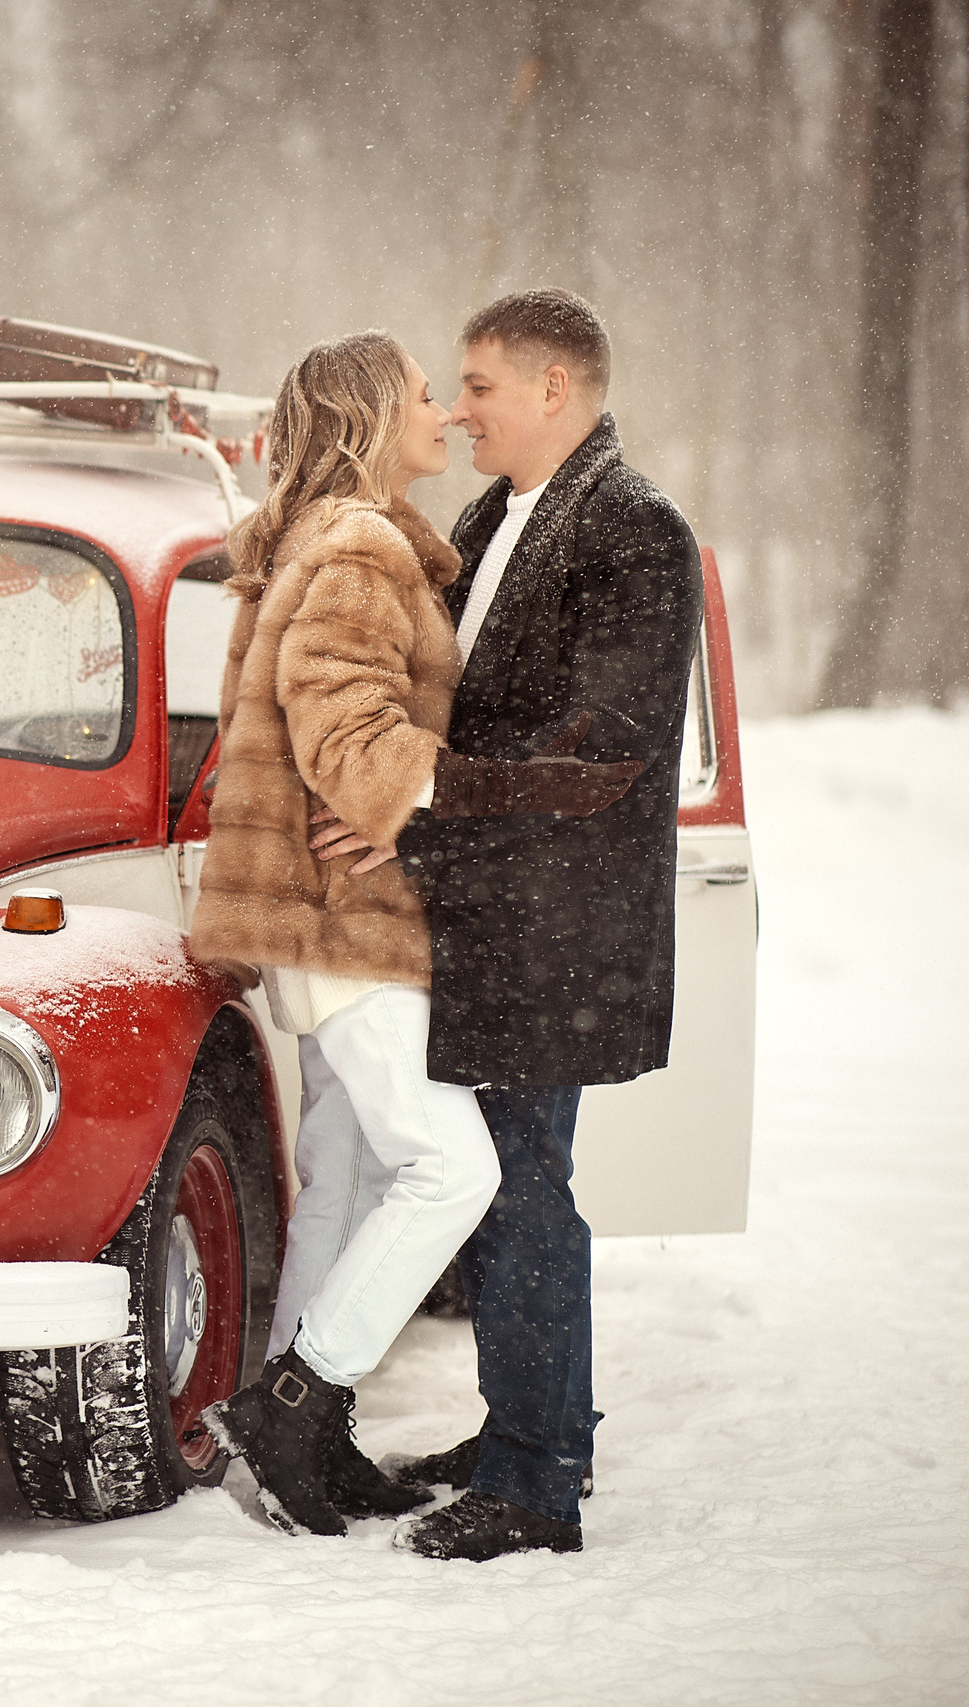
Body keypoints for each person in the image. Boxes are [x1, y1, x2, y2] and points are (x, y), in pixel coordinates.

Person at [187, 331, 642, 1538]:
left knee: (339, 1175)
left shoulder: (315, 538)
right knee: (456, 1169)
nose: (445, 413)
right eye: (426, 398)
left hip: (305, 915)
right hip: (343, 918)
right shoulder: (358, 547)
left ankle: (300, 1443)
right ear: (374, 419)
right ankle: (295, 1404)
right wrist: (430, 794)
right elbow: (347, 742)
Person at [312, 289, 706, 1562]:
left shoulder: (636, 531)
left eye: (477, 384)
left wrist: (415, 819)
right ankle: (519, 1429)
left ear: (553, 388)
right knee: (500, 1190)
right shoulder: (493, 515)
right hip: (489, 912)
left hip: (559, 928)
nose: (458, 408)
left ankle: (536, 1485)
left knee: (524, 1191)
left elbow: (600, 754)